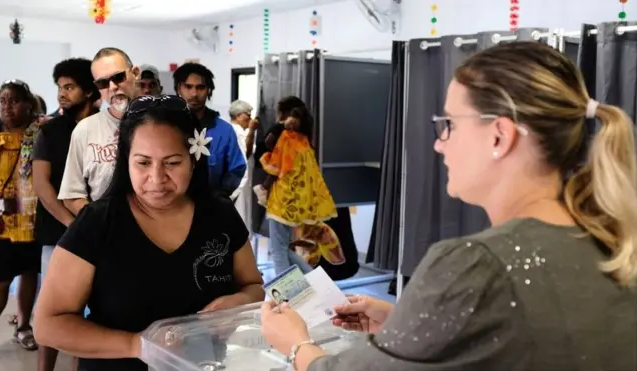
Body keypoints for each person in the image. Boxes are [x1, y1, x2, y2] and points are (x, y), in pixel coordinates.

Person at [261, 41, 637, 370]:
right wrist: (406, 324)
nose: (440, 143)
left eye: (450, 125)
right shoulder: (611, 242)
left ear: (499, 135)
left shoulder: (477, 264)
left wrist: (296, 344)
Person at [34, 95, 265, 371]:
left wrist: (237, 302)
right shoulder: (98, 222)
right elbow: (48, 325)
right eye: (143, 163)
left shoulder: (219, 214)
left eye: (172, 163)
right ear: (126, 161)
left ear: (193, 159)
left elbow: (253, 286)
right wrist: (138, 345)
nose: (157, 179)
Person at [32, 57, 101, 371]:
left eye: (69, 87)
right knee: (53, 308)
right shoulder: (51, 131)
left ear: (88, 91)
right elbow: (42, 186)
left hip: (101, 234)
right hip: (58, 235)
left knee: (91, 313)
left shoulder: (106, 126)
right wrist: (72, 224)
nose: (62, 93)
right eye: (60, 87)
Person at [0, 80, 43, 357]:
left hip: (32, 219)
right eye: (3, 100)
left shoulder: (41, 133)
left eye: (14, 101)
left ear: (29, 104)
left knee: (29, 272)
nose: (7, 106)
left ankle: (23, 326)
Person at [256, 98, 337, 276]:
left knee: (278, 252)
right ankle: (314, 283)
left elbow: (271, 161)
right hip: (298, 202)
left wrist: (263, 187)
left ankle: (289, 296)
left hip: (282, 201)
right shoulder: (305, 140)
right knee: (283, 249)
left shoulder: (285, 138)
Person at [58, 47, 139, 216]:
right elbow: (72, 195)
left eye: (118, 77)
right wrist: (98, 222)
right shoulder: (85, 130)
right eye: (103, 83)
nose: (112, 87)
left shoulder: (162, 123)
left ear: (135, 73)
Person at [173, 62, 246, 197]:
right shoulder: (167, 127)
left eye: (200, 87)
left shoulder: (224, 131)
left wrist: (219, 197)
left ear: (208, 90)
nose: (194, 93)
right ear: (179, 89)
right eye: (188, 87)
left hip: (210, 208)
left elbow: (237, 168)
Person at [228, 100, 259, 230]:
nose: (250, 118)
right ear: (238, 115)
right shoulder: (234, 131)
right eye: (247, 114)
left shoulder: (239, 131)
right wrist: (252, 130)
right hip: (237, 181)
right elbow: (245, 154)